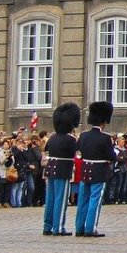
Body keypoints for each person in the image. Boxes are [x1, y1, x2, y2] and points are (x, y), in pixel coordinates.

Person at [75, 100, 115, 237]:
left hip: (85, 169)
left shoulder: (83, 135)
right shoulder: (105, 137)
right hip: (99, 170)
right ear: (104, 121)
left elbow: (79, 151)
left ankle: (79, 227)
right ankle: (90, 228)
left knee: (83, 200)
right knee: (95, 200)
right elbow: (111, 156)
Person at [43, 103, 80, 236]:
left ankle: (47, 226)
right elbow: (78, 153)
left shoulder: (52, 138)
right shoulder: (71, 139)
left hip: (51, 169)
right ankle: (58, 227)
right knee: (61, 199)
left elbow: (47, 150)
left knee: (50, 199)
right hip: (63, 170)